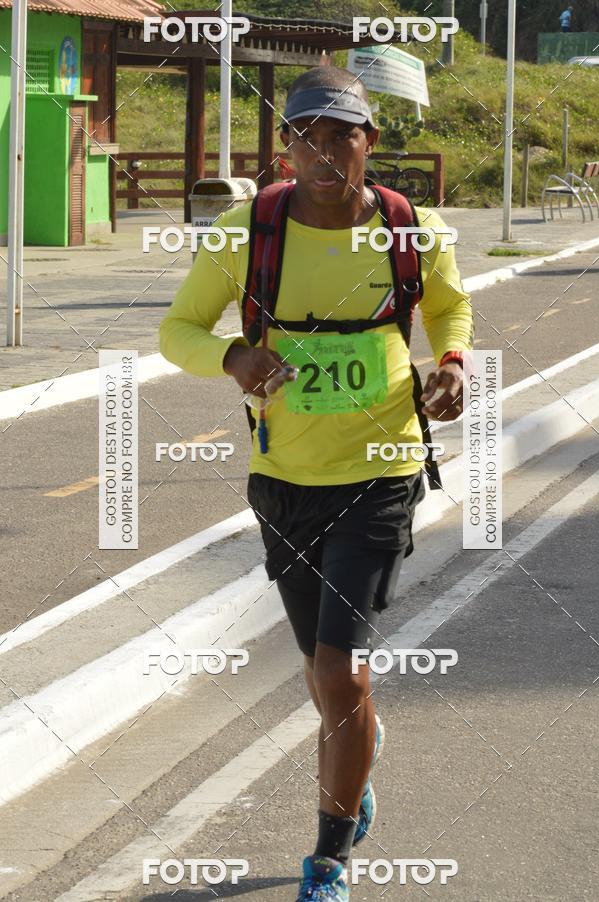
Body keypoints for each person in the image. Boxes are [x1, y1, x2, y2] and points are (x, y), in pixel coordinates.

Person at [160, 67, 472, 901]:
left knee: (343, 670)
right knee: (318, 665)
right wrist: (232, 357)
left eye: (342, 135)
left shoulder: (412, 230)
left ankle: (329, 859)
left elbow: (449, 309)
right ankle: (357, 757)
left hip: (382, 469)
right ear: (286, 146)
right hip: (284, 476)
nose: (324, 151)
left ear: (370, 142)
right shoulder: (246, 233)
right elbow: (178, 330)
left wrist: (451, 361)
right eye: (307, 135)